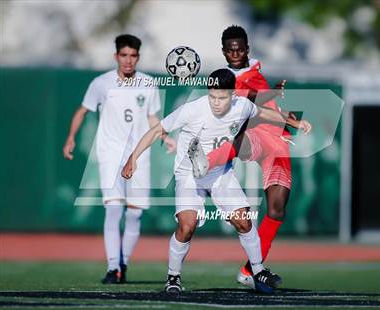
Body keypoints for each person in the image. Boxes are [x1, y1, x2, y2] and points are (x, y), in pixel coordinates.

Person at [122, 69, 290, 293]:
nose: (216, 102)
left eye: (222, 97)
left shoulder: (242, 105)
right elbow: (156, 130)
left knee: (244, 221)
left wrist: (290, 122)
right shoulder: (193, 109)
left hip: (220, 173)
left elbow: (261, 112)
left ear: (233, 94)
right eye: (212, 96)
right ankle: (173, 277)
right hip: (189, 175)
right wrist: (133, 157)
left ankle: (258, 271)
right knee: (187, 226)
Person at [189, 26, 312, 289]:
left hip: (278, 141)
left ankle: (248, 271)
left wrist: (277, 102)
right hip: (256, 136)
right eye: (230, 49)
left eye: (240, 48)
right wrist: (275, 101)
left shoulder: (255, 71)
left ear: (247, 48)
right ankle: (205, 163)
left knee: (277, 211)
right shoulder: (225, 79)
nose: (235, 53)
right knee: (241, 143)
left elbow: (260, 99)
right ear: (224, 51)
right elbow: (247, 101)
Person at [63, 34, 175, 284]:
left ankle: (123, 262)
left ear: (138, 57)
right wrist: (71, 138)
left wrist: (164, 137)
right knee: (113, 209)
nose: (128, 60)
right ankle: (113, 267)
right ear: (116, 56)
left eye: (133, 55)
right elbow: (82, 111)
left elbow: (152, 118)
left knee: (134, 215)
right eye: (123, 55)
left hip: (139, 157)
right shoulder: (101, 83)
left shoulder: (148, 83)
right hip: (110, 153)